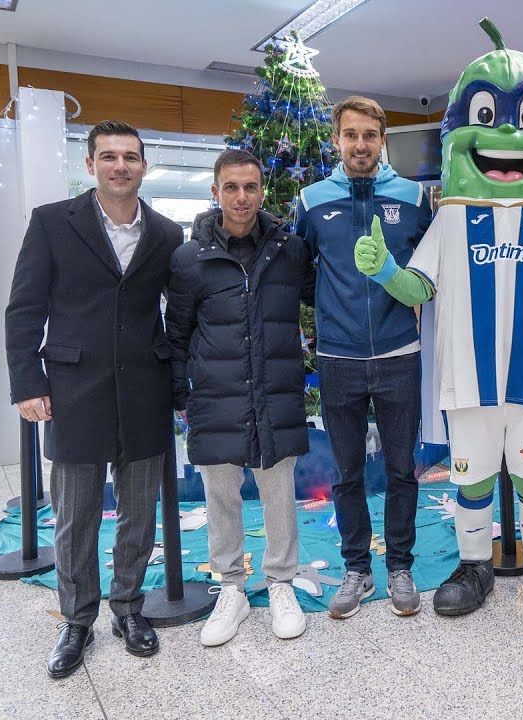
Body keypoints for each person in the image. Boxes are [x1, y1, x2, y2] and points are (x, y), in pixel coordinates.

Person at [355, 18, 523, 620]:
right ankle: (474, 566)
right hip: (469, 384)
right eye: (487, 118)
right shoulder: (451, 218)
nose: (508, 135)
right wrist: (383, 272)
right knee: (472, 484)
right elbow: (417, 286)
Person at [5, 120, 181, 678]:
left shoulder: (167, 234)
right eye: (109, 156)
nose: (120, 166)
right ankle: (77, 620)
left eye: (130, 156)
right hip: (73, 391)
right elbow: (24, 308)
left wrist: (178, 388)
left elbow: (178, 317)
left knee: (138, 514)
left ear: (144, 166)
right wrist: (26, 382)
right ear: (90, 165)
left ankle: (128, 608)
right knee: (76, 516)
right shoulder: (54, 223)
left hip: (145, 392)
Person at [165, 149, 315, 646]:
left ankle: (281, 583)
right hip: (217, 397)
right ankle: (230, 586)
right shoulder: (189, 261)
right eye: (231, 187)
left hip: (275, 393)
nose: (241, 197)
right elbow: (177, 333)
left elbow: (320, 299)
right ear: (215, 192)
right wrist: (180, 395)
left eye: (250, 187)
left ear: (262, 191)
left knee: (278, 496)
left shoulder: (289, 251)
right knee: (221, 496)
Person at [295, 96, 432, 620]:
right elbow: (304, 273)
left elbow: (429, 269)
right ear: (337, 140)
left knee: (402, 470)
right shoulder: (312, 201)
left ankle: (399, 565)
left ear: (382, 140)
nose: (360, 145)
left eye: (369, 135)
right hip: (338, 358)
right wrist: (335, 308)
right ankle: (356, 568)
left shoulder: (414, 198)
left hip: (401, 354)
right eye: (350, 135)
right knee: (347, 472)